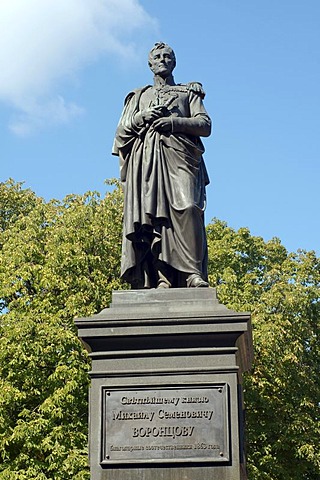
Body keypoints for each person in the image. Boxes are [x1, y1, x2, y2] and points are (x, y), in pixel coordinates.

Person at [113, 42, 211, 289]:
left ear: (174, 62)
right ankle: (162, 278)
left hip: (181, 157)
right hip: (147, 162)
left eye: (168, 56)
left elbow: (205, 125)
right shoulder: (138, 96)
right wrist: (142, 118)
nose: (162, 59)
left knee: (188, 207)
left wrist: (174, 122)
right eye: (157, 56)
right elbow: (121, 134)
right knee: (155, 216)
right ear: (150, 64)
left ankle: (192, 274)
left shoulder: (188, 92)